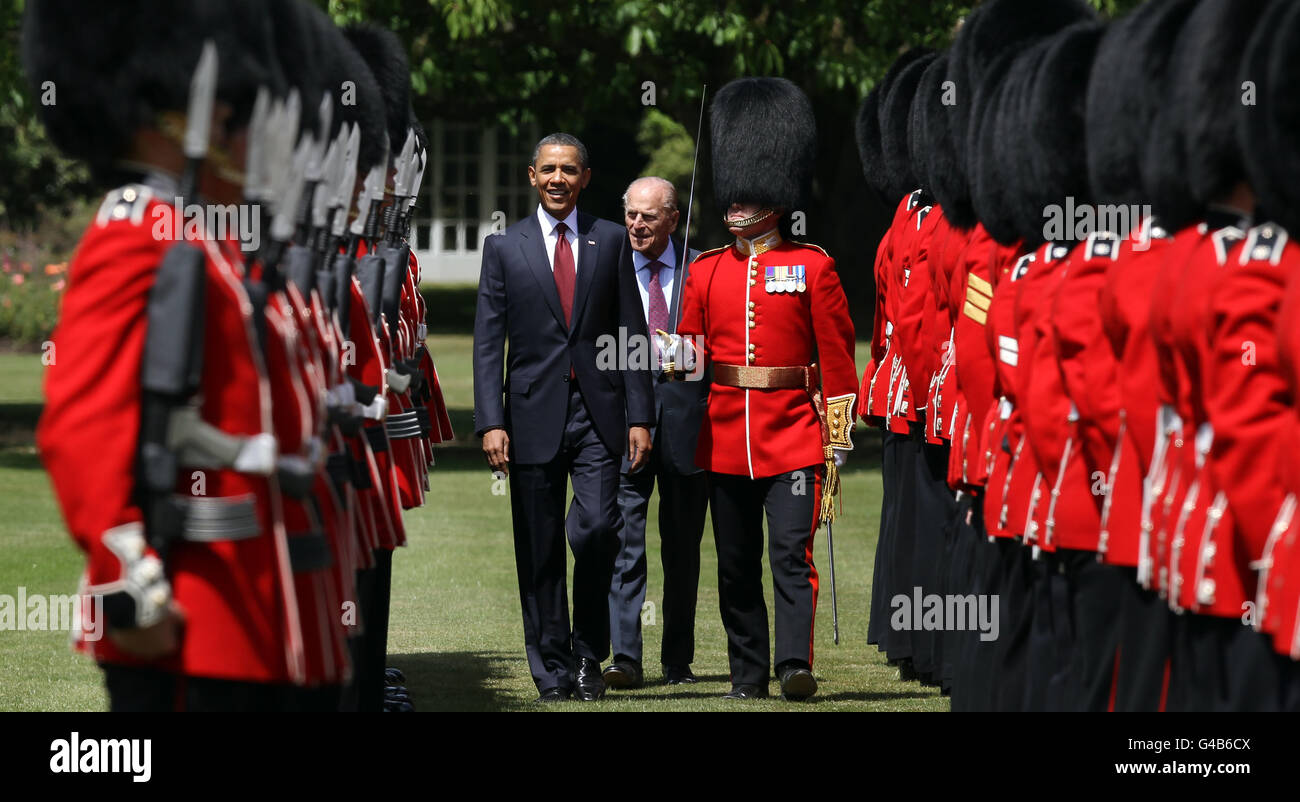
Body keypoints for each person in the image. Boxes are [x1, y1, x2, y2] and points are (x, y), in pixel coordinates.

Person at [676, 78, 858, 701]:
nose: (735, 206)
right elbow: (691, 348)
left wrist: (836, 436)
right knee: (733, 566)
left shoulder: (813, 266)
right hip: (725, 438)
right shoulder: (704, 270)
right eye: (732, 194)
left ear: (776, 197)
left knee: (789, 555)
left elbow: (836, 355)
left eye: (749, 194)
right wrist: (674, 356)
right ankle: (747, 674)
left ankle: (792, 666)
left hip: (795, 439)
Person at [473, 134, 655, 702]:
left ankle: (587, 654)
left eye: (568, 170)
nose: (558, 178)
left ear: (585, 177)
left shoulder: (610, 241)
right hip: (528, 416)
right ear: (532, 176)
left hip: (600, 414)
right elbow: (488, 340)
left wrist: (641, 416)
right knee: (539, 545)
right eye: (548, 169)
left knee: (600, 529)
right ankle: (551, 666)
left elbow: (632, 333)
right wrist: (490, 420)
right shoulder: (504, 247)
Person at [603, 177, 708, 689]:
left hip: (688, 425)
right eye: (631, 215)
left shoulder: (703, 270)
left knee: (683, 547)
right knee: (625, 542)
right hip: (625, 425)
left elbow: (723, 345)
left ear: (673, 219)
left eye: (649, 216)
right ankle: (625, 657)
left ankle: (677, 661)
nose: (637, 225)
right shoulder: (608, 265)